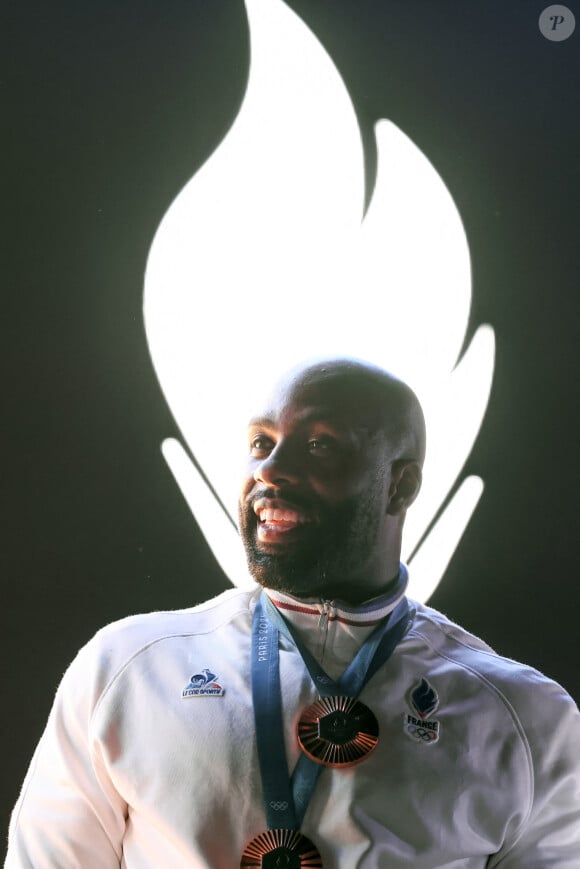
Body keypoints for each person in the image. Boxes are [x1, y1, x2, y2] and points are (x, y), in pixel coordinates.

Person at [5, 358, 580, 868]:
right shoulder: (127, 668)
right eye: (261, 443)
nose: (270, 472)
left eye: (320, 445)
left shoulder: (527, 718)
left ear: (400, 486)